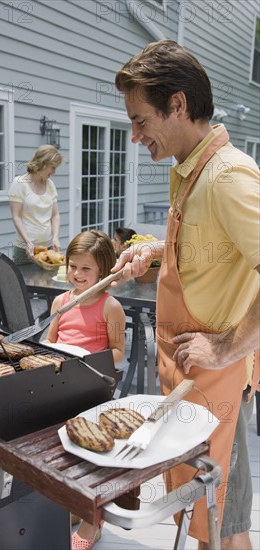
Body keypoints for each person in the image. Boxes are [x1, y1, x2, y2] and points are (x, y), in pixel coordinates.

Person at [112, 39, 259, 549]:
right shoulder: (189, 169)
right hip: (186, 380)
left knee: (224, 526)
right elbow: (212, 246)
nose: (134, 137)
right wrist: (154, 250)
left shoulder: (227, 177)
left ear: (177, 104)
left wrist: (226, 347)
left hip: (217, 386)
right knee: (201, 517)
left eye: (140, 120)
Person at [43, 230, 126, 550]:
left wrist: (88, 358)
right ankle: (70, 505)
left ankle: (93, 521)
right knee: (58, 452)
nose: (76, 274)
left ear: (103, 271)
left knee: (91, 458)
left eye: (85, 269)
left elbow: (118, 353)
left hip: (91, 388)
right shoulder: (60, 301)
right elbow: (50, 340)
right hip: (61, 384)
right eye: (72, 266)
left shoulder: (110, 306)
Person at [8, 145, 65, 264]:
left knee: (48, 283)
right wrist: (28, 242)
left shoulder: (50, 185)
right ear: (44, 163)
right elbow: (16, 216)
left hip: (48, 248)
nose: (54, 172)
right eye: (53, 167)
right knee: (25, 282)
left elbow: (55, 215)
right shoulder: (19, 183)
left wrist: (55, 237)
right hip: (26, 249)